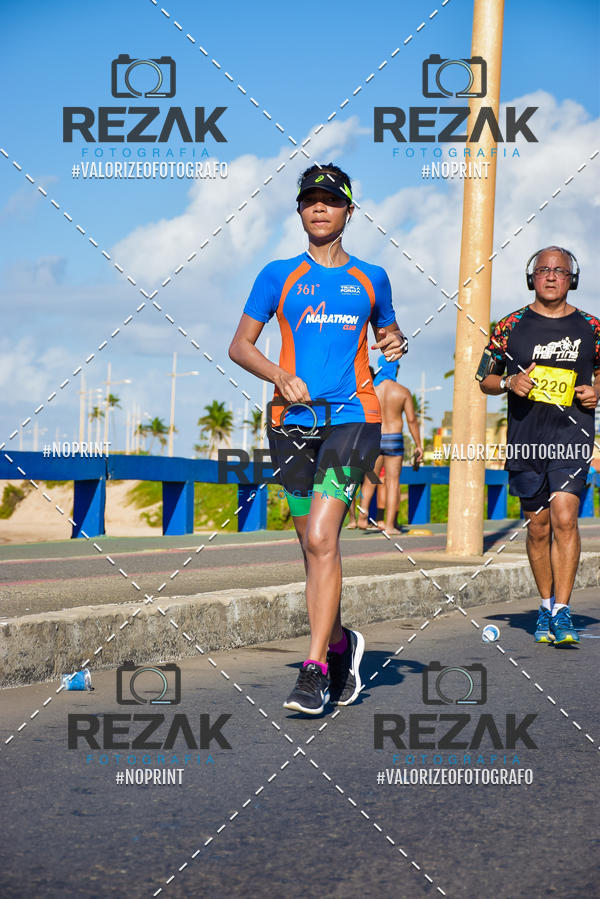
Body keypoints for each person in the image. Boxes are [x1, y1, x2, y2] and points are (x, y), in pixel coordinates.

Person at [229, 163, 407, 713]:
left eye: (330, 200)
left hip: (354, 416)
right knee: (311, 544)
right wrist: (278, 376)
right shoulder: (277, 273)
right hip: (289, 421)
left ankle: (312, 670)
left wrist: (395, 342)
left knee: (325, 538)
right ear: (300, 211)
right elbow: (240, 346)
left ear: (349, 211)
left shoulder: (371, 277)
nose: (319, 207)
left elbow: (388, 332)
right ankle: (340, 642)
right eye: (310, 200)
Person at [478, 246, 600, 645]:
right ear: (532, 277)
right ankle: (546, 607)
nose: (551, 276)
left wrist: (595, 392)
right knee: (538, 527)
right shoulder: (510, 325)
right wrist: (510, 382)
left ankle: (563, 612)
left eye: (559, 270)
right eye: (543, 270)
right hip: (526, 441)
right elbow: (485, 378)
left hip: (572, 438)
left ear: (572, 278)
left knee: (565, 517)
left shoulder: (591, 327)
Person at [354, 356, 423, 534]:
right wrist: (418, 445)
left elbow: (364, 417)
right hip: (394, 438)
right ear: (396, 369)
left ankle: (362, 519)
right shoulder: (402, 391)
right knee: (392, 482)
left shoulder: (373, 390)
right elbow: (412, 420)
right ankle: (390, 525)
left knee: (370, 479)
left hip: (375, 437)